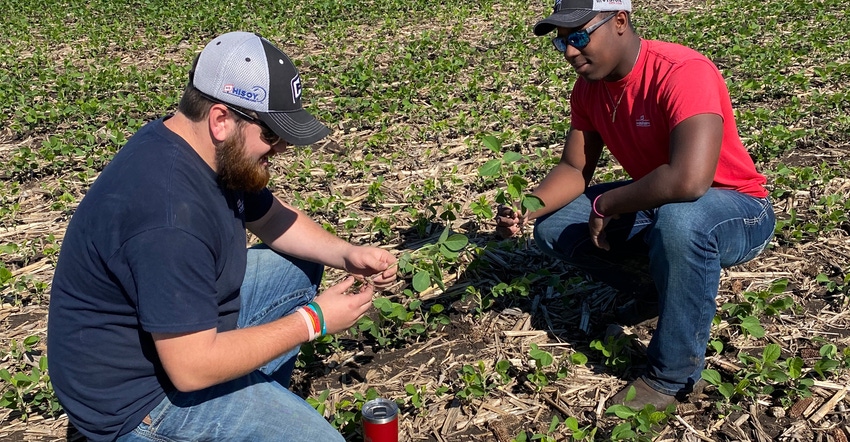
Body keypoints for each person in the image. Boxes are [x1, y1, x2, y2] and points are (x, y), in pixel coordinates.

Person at [47, 31, 397, 441]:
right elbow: (191, 367)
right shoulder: (168, 215)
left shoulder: (201, 149)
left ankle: (251, 401)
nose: (281, 148)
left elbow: (270, 218)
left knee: (296, 269)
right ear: (220, 119)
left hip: (180, 342)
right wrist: (313, 321)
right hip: (138, 400)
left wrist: (347, 254)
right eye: (271, 133)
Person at [496, 0, 775, 409]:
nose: (571, 52)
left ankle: (673, 376)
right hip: (661, 202)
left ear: (620, 21)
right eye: (562, 44)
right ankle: (656, 291)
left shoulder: (682, 71)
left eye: (578, 37)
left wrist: (608, 203)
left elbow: (689, 180)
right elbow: (575, 166)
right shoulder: (589, 88)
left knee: (681, 221)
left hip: (737, 209)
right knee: (554, 226)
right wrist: (528, 207)